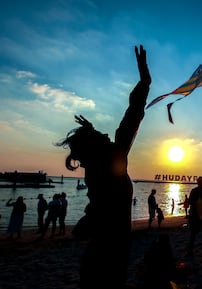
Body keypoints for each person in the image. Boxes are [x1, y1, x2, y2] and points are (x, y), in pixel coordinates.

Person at [55, 44, 151, 289]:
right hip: (111, 246)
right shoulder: (106, 159)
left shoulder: (108, 160)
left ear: (90, 150)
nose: (80, 162)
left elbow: (132, 115)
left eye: (80, 156)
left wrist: (145, 82)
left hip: (110, 248)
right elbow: (99, 204)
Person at [187, 176, 202, 260]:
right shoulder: (194, 191)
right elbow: (190, 202)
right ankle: (191, 250)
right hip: (195, 215)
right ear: (198, 182)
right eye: (199, 182)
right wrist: (194, 203)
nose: (201, 183)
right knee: (193, 233)